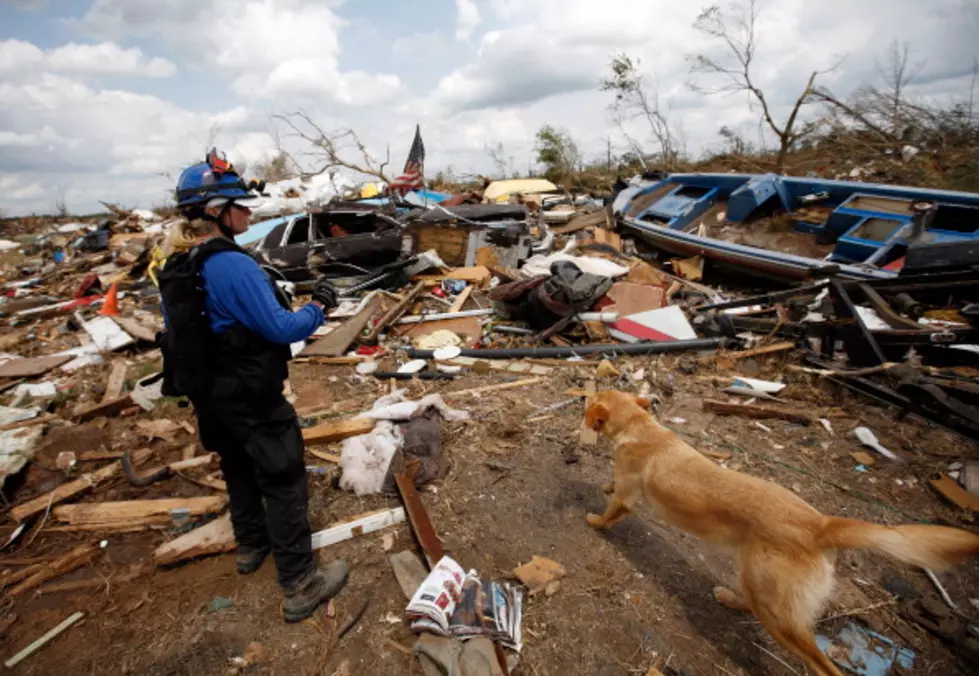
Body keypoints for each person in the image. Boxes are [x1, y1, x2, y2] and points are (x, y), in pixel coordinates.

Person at [154, 149, 347, 622]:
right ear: (215, 211)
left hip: (211, 394)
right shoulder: (232, 264)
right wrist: (319, 305)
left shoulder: (179, 262)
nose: (247, 211)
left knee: (238, 467)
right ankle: (300, 583)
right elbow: (283, 329)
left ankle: (250, 547)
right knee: (282, 478)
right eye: (238, 204)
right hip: (249, 391)